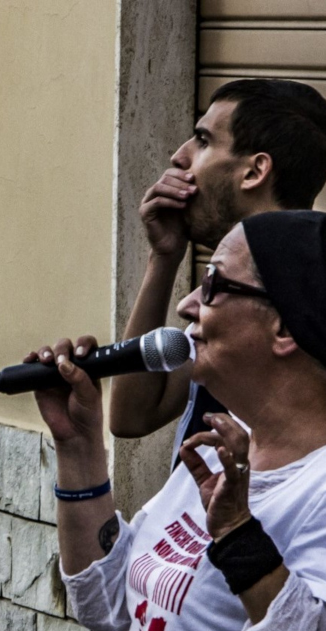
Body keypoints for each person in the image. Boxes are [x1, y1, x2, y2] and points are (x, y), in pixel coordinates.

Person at [33, 210, 326, 631]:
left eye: (214, 284)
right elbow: (105, 603)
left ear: (283, 326)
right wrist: (79, 449)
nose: (189, 305)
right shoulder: (220, 455)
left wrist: (240, 536)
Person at [101, 79, 326, 452]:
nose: (179, 156)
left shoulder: (302, 298)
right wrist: (164, 258)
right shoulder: (229, 289)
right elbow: (132, 416)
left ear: (254, 171)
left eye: (203, 141)